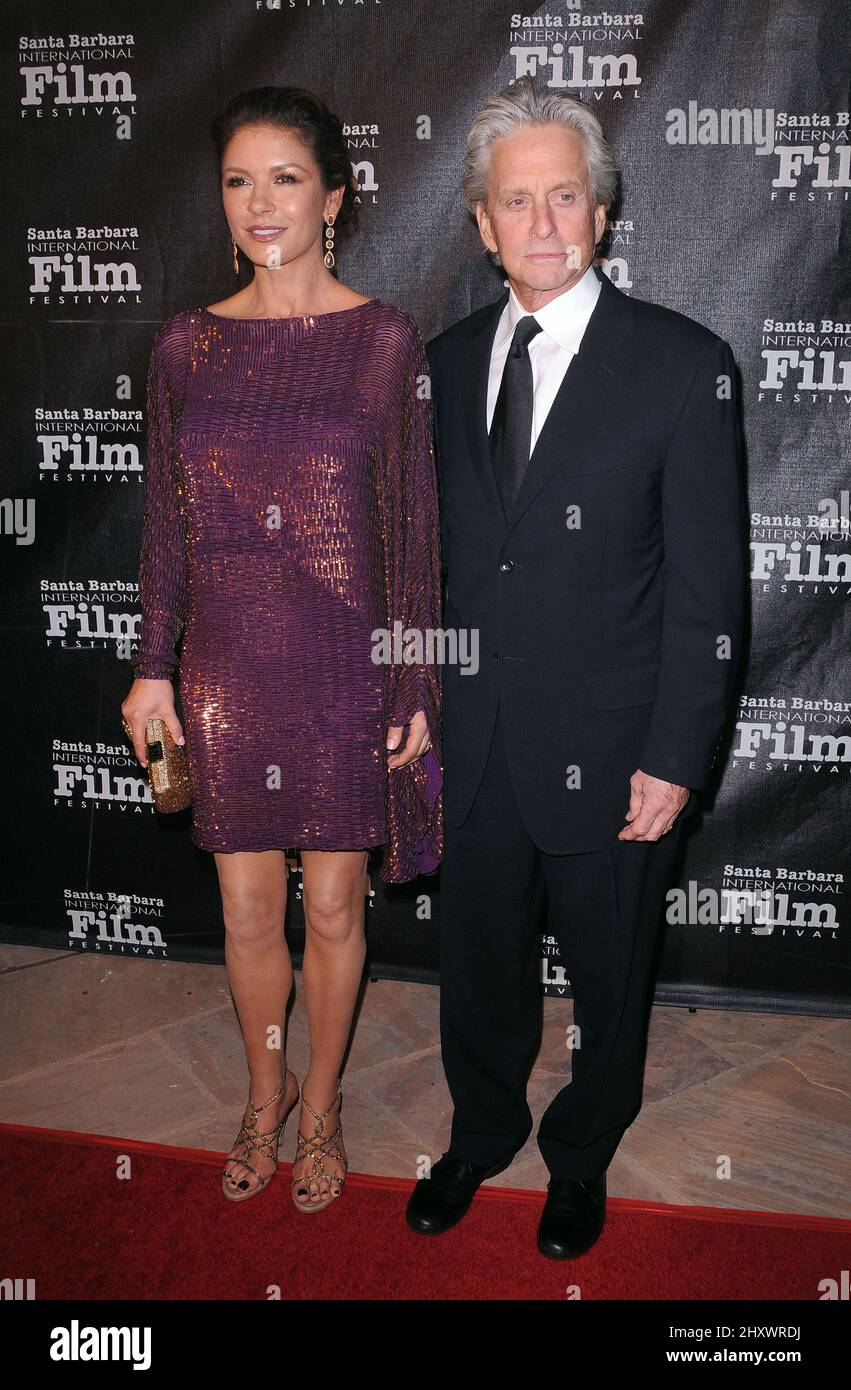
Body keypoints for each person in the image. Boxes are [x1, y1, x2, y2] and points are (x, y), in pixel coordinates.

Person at [406, 77, 746, 1258]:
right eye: (516, 201)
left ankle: (582, 1149)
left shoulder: (678, 364)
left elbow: (707, 592)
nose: (541, 223)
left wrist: (672, 755)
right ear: (480, 221)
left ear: (599, 213)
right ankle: (479, 1129)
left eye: (565, 197)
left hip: (612, 747)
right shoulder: (440, 368)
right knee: (477, 964)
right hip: (473, 741)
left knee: (610, 980)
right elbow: (429, 570)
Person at [121, 86, 443, 1214]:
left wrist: (410, 679)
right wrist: (152, 662)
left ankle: (323, 1103)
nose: (260, 204)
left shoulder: (381, 341)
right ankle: (262, 1097)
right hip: (224, 675)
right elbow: (165, 523)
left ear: (334, 197)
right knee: (248, 913)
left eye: (285, 178)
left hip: (342, 671)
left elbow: (409, 528)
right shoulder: (183, 347)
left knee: (333, 912)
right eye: (237, 181)